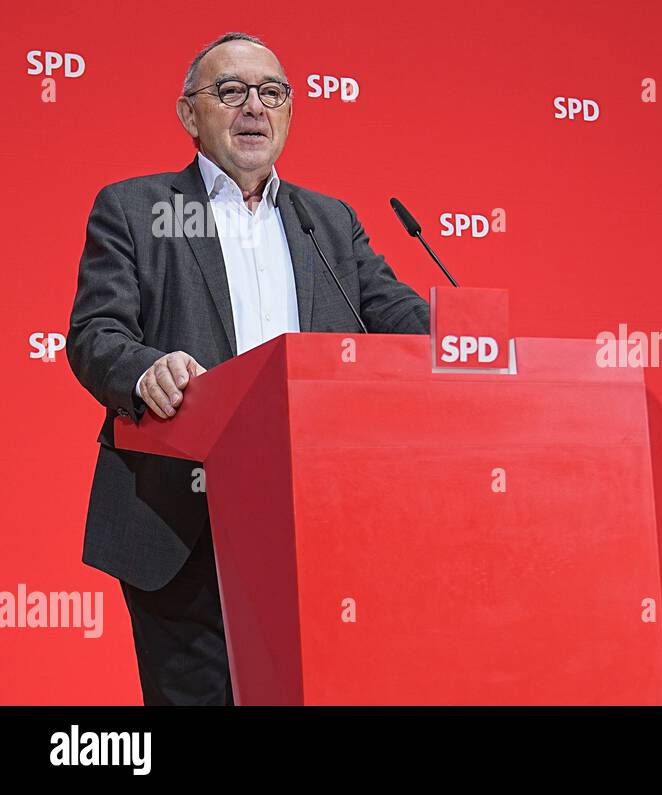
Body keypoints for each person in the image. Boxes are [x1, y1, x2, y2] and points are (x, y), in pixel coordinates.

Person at [66, 32, 430, 705]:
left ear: (290, 111)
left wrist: (470, 343)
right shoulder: (136, 209)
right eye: (231, 91)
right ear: (189, 114)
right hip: (183, 518)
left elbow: (402, 319)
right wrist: (147, 370)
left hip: (316, 521)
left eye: (272, 93)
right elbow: (95, 333)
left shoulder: (329, 220)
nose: (254, 107)